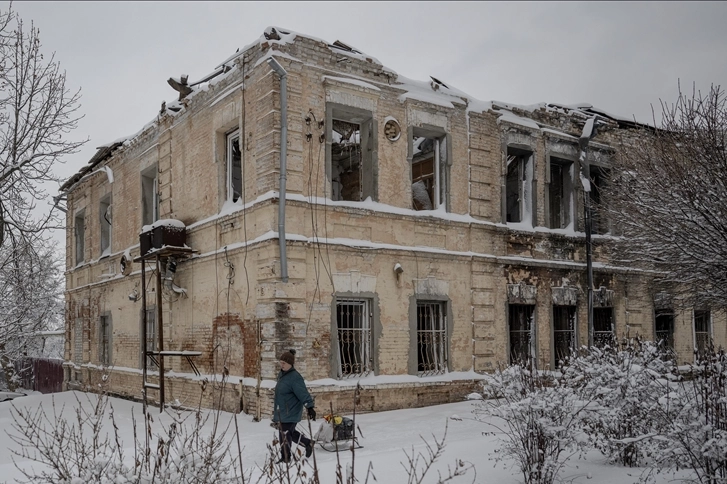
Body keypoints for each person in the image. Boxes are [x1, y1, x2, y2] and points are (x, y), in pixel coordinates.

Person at [272, 349, 316, 463]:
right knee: (289, 432)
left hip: (290, 411)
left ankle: (286, 458)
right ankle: (308, 443)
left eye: (284, 363)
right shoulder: (282, 375)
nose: (281, 365)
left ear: (290, 364)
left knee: (285, 433)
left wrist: (309, 407)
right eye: (281, 362)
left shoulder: (295, 377)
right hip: (283, 410)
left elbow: (302, 393)